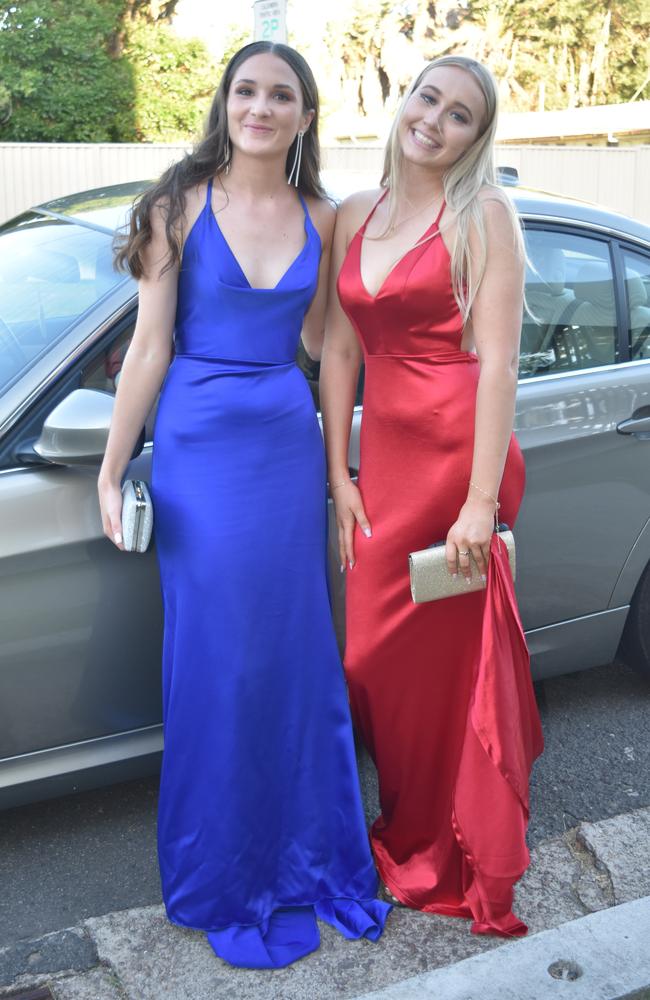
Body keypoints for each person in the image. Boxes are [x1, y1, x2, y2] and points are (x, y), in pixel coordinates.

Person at [97, 41, 390, 970]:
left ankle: (311, 858)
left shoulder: (325, 214)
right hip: (199, 446)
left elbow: (330, 346)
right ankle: (225, 872)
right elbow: (148, 350)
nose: (260, 108)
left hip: (282, 441)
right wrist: (112, 471)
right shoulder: (176, 204)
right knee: (220, 662)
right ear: (224, 103)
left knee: (297, 657)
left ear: (306, 115)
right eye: (246, 91)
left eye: (281, 96)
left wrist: (345, 467)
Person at [320, 55, 544, 938]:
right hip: (386, 466)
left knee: (442, 674)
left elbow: (498, 366)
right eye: (428, 99)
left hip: (459, 466)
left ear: (474, 138)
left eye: (460, 115)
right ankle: (415, 830)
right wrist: (338, 473)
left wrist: (481, 505)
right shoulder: (352, 213)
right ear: (402, 103)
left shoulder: (484, 214)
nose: (435, 121)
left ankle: (442, 850)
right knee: (373, 666)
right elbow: (339, 351)